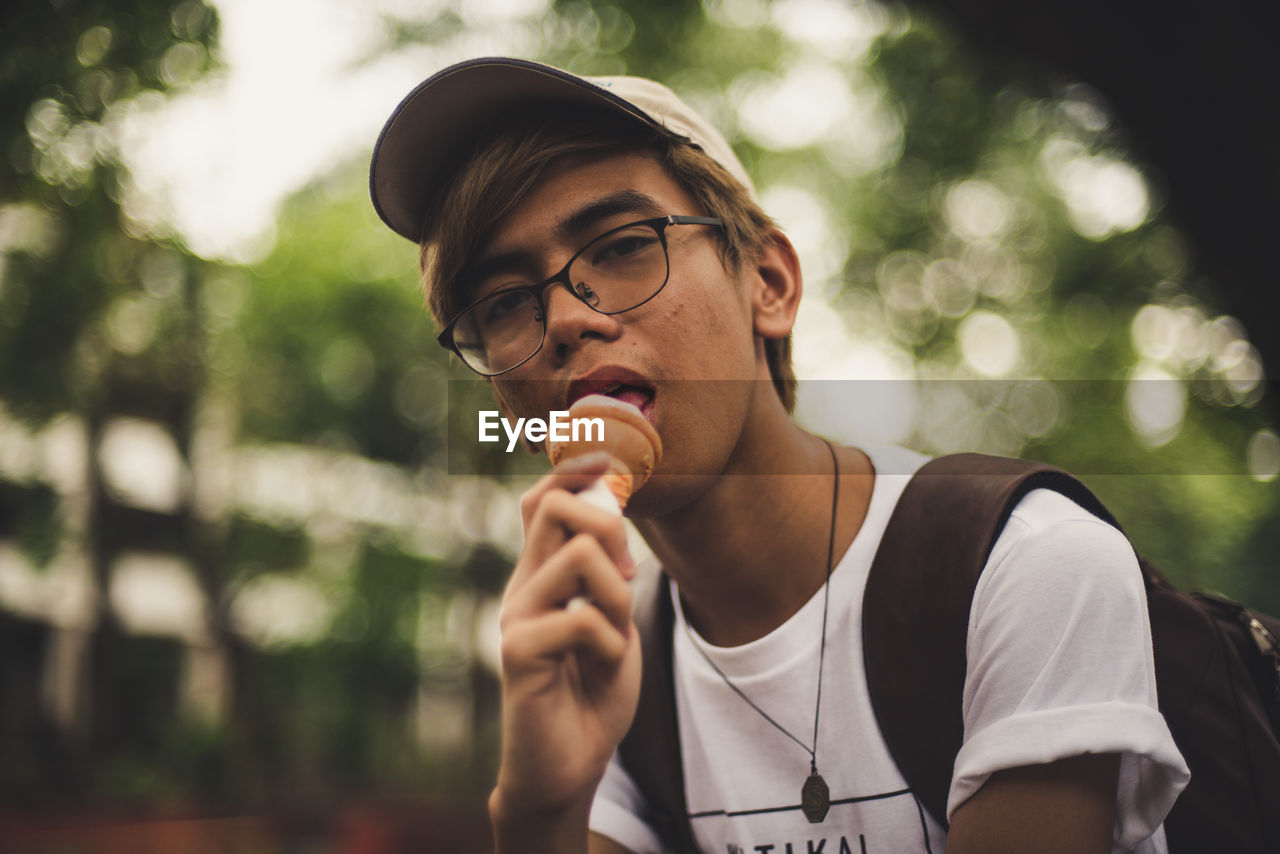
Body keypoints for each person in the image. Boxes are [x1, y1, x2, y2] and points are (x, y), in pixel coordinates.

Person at [370, 57, 1189, 853]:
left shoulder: (1026, 567)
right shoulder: (606, 662)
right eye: (504, 302)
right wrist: (537, 808)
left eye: (621, 246)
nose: (564, 322)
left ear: (768, 281)